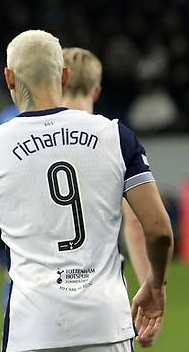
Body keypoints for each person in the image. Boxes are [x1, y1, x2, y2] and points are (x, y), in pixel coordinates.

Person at [0, 29, 173, 352]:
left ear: (9, 78)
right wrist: (156, 284)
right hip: (105, 321)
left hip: (33, 327)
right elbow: (159, 230)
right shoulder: (114, 136)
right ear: (64, 76)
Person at [61, 46, 151, 287]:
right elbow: (136, 222)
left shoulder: (32, 140)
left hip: (42, 284)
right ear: (97, 90)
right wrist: (150, 287)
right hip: (102, 283)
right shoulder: (114, 138)